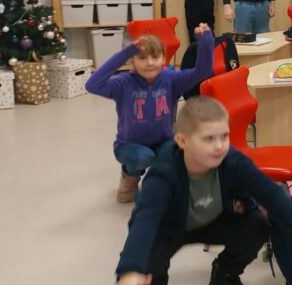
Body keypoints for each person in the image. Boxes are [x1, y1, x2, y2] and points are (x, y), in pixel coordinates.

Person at [102, 97, 292, 285]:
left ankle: (224, 276)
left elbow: (270, 194)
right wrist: (130, 269)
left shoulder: (232, 160)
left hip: (216, 220)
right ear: (182, 141)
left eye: (224, 136)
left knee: (257, 225)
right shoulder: (163, 172)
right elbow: (145, 220)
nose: (219, 146)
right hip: (170, 229)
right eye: (208, 139)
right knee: (147, 246)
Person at [87, 24, 214, 203]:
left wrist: (206, 41)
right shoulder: (123, 83)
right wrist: (125, 52)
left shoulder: (171, 79)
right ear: (132, 62)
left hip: (163, 141)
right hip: (129, 145)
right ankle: (129, 175)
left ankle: (160, 183)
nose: (150, 63)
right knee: (144, 157)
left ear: (163, 59)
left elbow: (204, 71)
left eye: (155, 57)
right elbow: (92, 84)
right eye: (142, 57)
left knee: (181, 153)